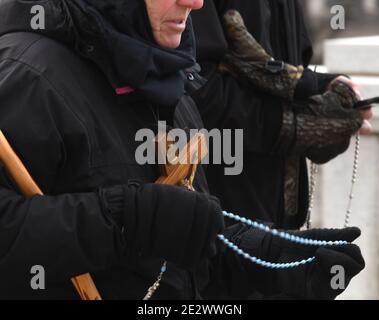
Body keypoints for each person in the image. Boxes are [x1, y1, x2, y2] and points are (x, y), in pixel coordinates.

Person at [0, 0, 364, 300]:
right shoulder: (28, 74)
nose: (196, 3)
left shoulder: (170, 79)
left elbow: (171, 256)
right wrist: (126, 219)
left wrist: (253, 257)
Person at [191, 0, 373, 229]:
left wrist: (323, 88)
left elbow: (279, 70)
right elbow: (195, 89)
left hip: (280, 210)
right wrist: (296, 125)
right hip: (217, 209)